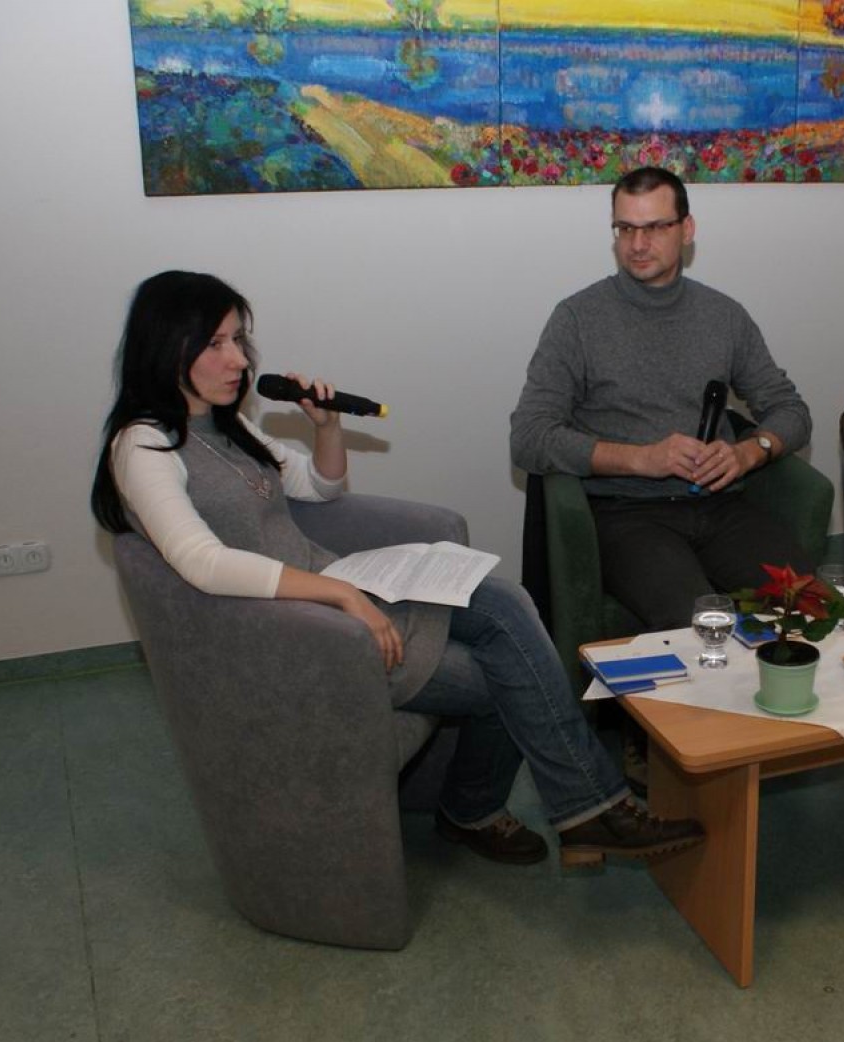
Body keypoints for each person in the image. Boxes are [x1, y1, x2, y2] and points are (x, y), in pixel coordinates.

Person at [91, 270, 702, 868]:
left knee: (506, 602)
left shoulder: (226, 424)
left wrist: (326, 426)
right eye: (215, 344)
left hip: (334, 591)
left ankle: (561, 808)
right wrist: (340, 596)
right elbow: (202, 562)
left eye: (238, 340)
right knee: (505, 675)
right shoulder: (143, 445)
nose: (238, 360)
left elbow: (321, 488)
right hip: (300, 635)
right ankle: (517, 808)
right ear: (167, 346)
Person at [509, 166, 814, 631]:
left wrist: (749, 453)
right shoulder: (577, 319)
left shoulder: (724, 316)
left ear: (686, 230)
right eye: (625, 228)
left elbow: (791, 410)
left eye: (654, 227)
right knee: (698, 624)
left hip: (719, 506)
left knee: (810, 604)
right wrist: (642, 459)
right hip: (627, 513)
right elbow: (529, 437)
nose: (638, 244)